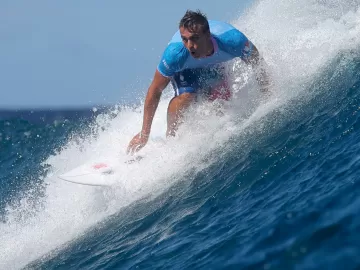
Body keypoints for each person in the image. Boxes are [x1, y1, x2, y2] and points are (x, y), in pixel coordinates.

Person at [127, 9, 271, 154]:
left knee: (221, 104)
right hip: (186, 69)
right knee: (187, 96)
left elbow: (257, 64)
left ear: (207, 35)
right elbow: (155, 90)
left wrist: (267, 96)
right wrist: (144, 134)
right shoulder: (176, 54)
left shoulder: (233, 41)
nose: (189, 45)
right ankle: (171, 139)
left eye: (194, 38)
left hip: (214, 64)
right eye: (185, 39)